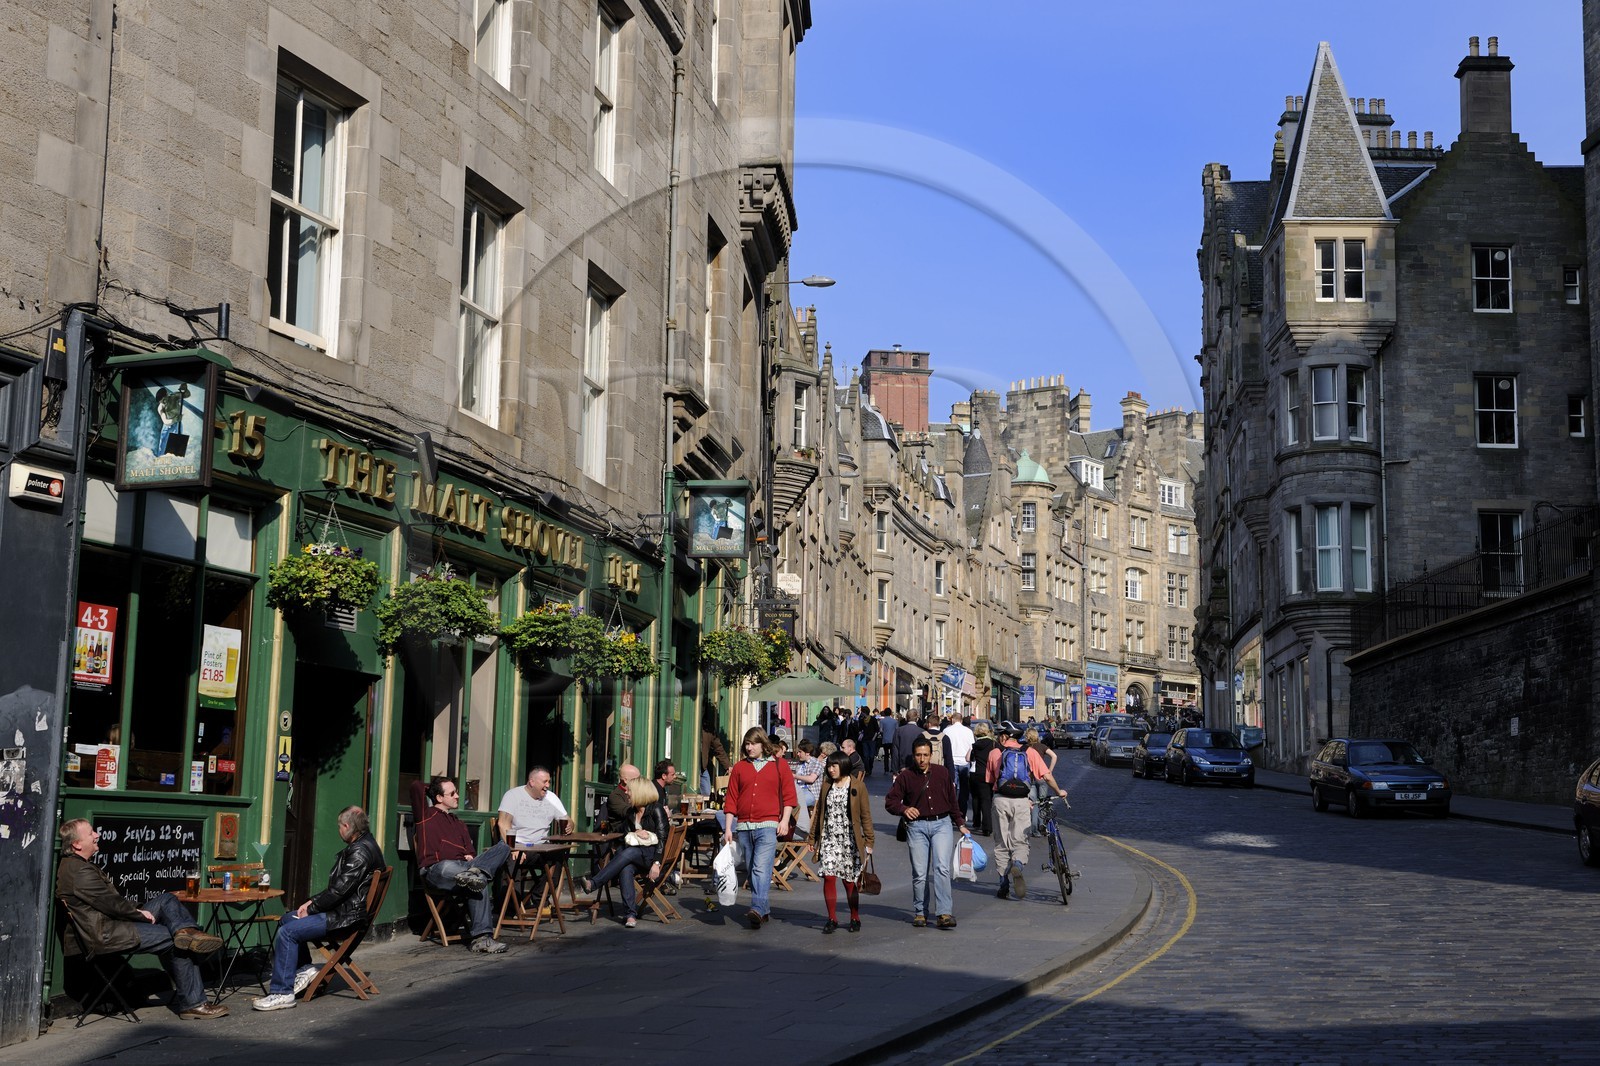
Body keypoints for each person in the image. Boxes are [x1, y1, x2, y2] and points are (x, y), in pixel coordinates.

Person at [55, 818, 228, 1020]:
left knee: (167, 900)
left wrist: (139, 910)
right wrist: (139, 914)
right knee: (177, 942)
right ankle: (194, 1003)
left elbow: (111, 903)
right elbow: (112, 904)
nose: (97, 835)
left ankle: (187, 931)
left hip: (112, 923)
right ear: (77, 844)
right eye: (91, 833)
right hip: (106, 933)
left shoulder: (78, 866)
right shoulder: (79, 872)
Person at [253, 805, 384, 1011]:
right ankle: (305, 970)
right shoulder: (365, 843)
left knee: (288, 932)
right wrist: (310, 903)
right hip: (345, 912)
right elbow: (339, 889)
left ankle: (281, 993)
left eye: (340, 826)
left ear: (348, 826)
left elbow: (339, 891)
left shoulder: (360, 851)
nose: (339, 830)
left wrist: (312, 908)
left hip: (345, 918)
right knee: (288, 918)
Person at [408, 776, 512, 954]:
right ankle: (473, 876)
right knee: (454, 869)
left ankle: (481, 939)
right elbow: (415, 786)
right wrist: (433, 788)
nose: (457, 796)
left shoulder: (459, 824)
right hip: (437, 870)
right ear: (439, 797)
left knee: (504, 847)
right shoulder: (425, 816)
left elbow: (470, 852)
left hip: (465, 868)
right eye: (453, 793)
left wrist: (470, 858)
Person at [884, 736, 969, 930]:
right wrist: (904, 809)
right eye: (918, 755)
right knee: (920, 873)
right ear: (913, 756)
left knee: (942, 868)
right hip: (917, 827)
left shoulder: (942, 773)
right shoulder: (906, 776)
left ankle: (944, 913)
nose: (922, 759)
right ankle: (920, 912)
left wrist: (960, 823)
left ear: (931, 755)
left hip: (942, 824)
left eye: (925, 755)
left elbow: (952, 800)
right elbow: (890, 801)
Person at [722, 726, 797, 930]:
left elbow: (789, 796)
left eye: (753, 743)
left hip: (768, 825)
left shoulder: (779, 765)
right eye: (746, 744)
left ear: (763, 744)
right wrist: (728, 828)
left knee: (760, 868)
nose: (749, 747)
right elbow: (731, 799)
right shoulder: (739, 767)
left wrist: (784, 820)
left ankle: (755, 907)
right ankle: (763, 909)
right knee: (751, 869)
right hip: (744, 826)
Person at [986, 727, 1068, 900]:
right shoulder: (1029, 752)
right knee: (1020, 841)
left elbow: (990, 780)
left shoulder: (995, 752)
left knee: (1001, 843)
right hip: (1022, 801)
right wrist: (1058, 790)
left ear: (1003, 737)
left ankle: (1003, 884)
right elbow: (1046, 776)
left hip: (1000, 799)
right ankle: (1017, 864)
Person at [582, 778, 670, 928]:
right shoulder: (631, 812)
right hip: (636, 857)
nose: (627, 793)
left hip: (652, 857)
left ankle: (594, 883)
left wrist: (656, 863)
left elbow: (663, 839)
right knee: (626, 867)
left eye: (629, 790)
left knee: (630, 852)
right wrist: (636, 831)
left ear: (639, 792)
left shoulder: (656, 809)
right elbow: (624, 835)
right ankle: (630, 915)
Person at [810, 751, 874, 933]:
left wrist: (869, 841)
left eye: (834, 766)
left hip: (850, 839)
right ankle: (832, 918)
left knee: (849, 881)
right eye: (829, 767)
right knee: (829, 877)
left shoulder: (858, 786)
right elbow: (819, 813)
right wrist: (813, 838)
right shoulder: (826, 786)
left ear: (843, 766)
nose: (830, 770)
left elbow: (865, 816)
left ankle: (855, 917)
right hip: (829, 839)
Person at [498, 766, 569, 847]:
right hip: (519, 844)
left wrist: (570, 825)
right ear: (532, 782)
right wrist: (512, 848)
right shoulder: (512, 795)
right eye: (545, 781)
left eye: (549, 782)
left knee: (560, 854)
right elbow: (503, 823)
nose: (548, 785)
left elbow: (567, 820)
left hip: (543, 845)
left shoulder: (551, 798)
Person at [1024, 727, 1060, 836]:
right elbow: (1054, 756)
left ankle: (1034, 830)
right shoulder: (1042, 746)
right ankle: (1042, 826)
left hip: (1031, 778)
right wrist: (1050, 770)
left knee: (1033, 803)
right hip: (1042, 777)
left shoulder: (1025, 748)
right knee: (1043, 802)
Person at [942, 713, 975, 818]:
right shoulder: (968, 731)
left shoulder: (946, 731)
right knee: (964, 789)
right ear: (961, 721)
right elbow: (971, 747)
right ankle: (962, 812)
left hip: (951, 762)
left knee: (952, 788)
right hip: (965, 762)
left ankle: (952, 812)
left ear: (952, 720)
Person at [969, 721, 997, 836]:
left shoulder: (975, 745)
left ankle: (976, 821)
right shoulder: (993, 744)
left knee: (976, 798)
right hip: (988, 774)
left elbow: (971, 758)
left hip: (976, 774)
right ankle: (987, 827)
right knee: (986, 800)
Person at [791, 739, 823, 833]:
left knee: (792, 802)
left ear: (807, 753)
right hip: (798, 790)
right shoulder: (800, 763)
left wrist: (794, 776)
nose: (798, 754)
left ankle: (798, 828)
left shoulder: (816, 763)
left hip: (811, 793)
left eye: (800, 752)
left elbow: (811, 779)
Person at [605, 764, 643, 829]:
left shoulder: (639, 792)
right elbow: (628, 812)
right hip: (621, 834)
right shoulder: (615, 796)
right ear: (625, 780)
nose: (640, 782)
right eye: (636, 779)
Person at [700, 722, 730, 797]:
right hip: (691, 768)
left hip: (702, 767)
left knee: (707, 795)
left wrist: (728, 766)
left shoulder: (709, 729)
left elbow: (718, 749)